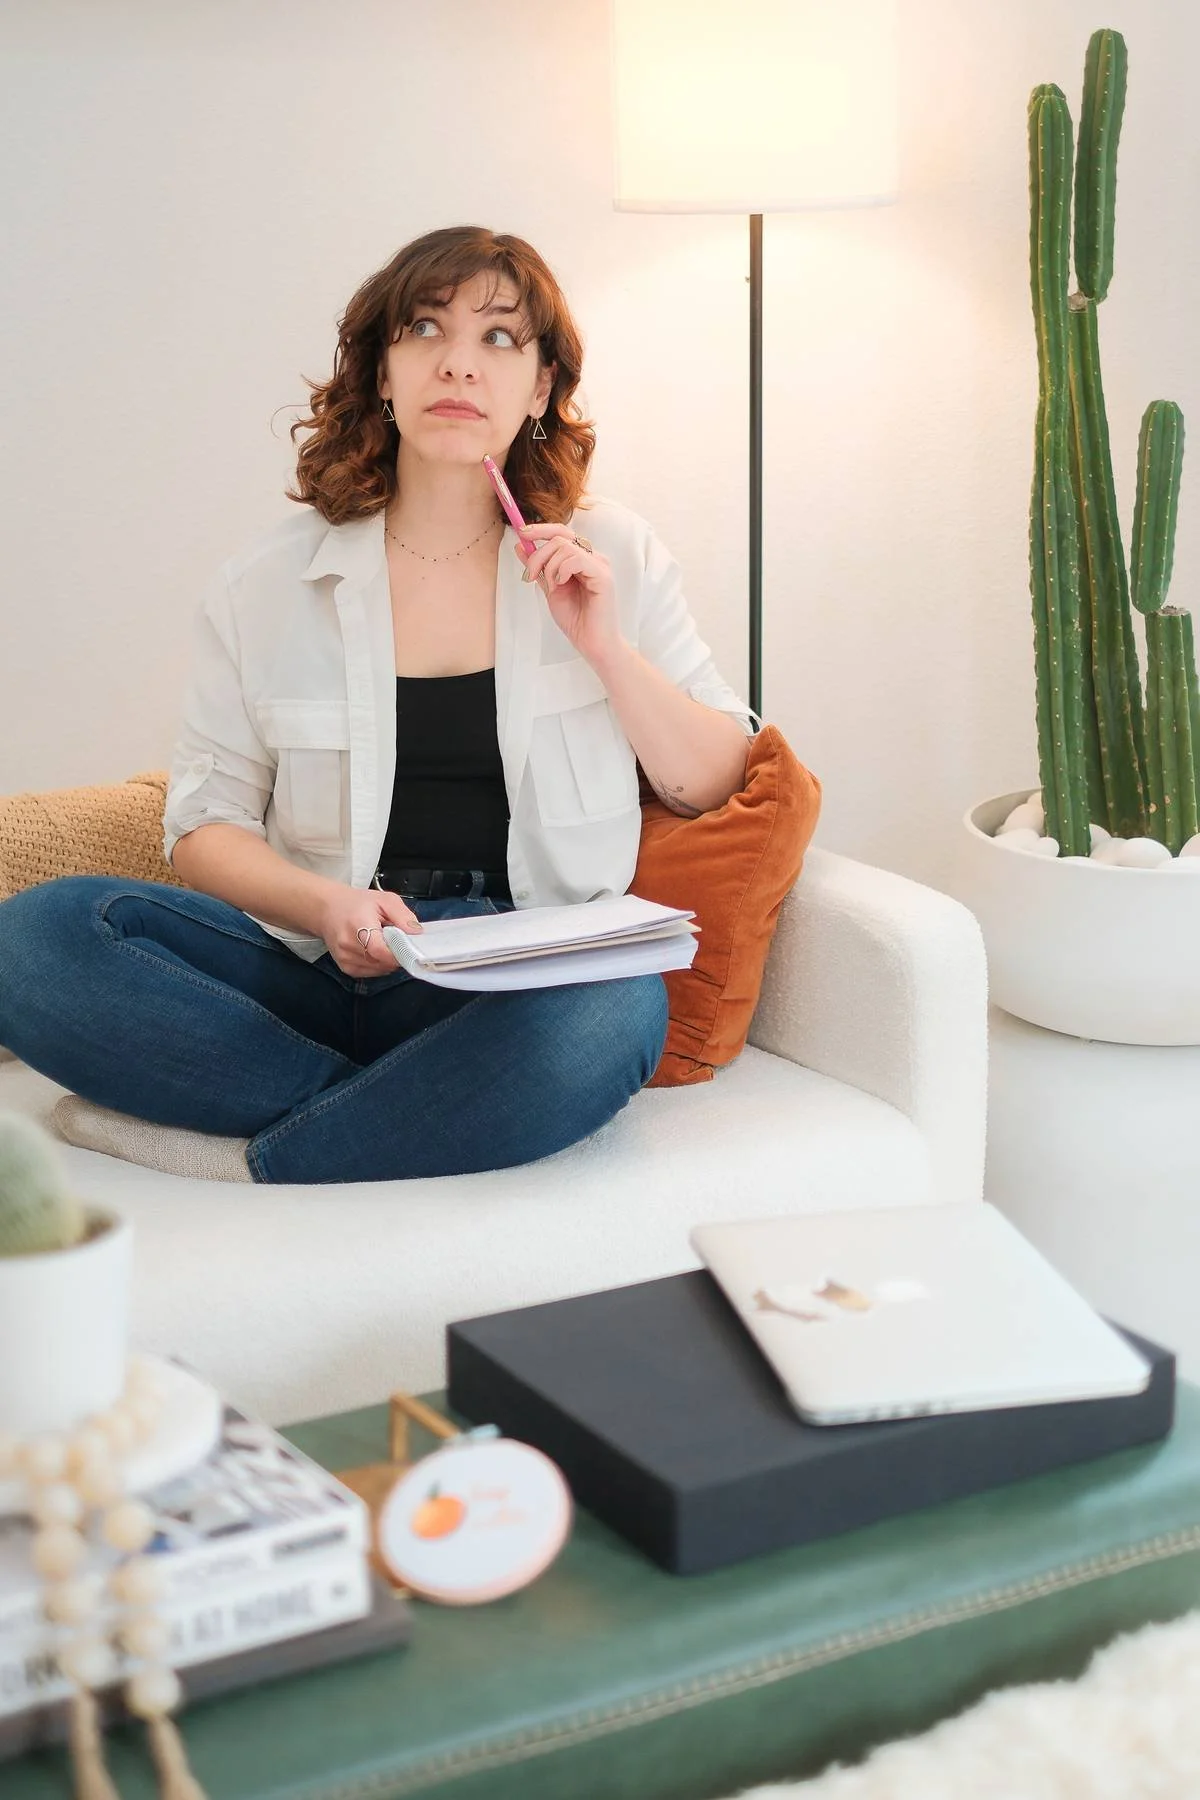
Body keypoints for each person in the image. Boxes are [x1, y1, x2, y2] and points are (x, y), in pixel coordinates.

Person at [0, 226, 753, 1185]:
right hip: (309, 968)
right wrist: (329, 906)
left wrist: (604, 646)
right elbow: (202, 826)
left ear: (542, 388)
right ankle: (405, 1113)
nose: (458, 363)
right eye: (425, 329)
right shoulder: (266, 583)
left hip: (506, 980)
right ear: (382, 373)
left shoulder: (616, 555)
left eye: (499, 338)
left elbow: (711, 782)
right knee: (34, 941)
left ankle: (256, 1152)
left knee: (616, 1009)